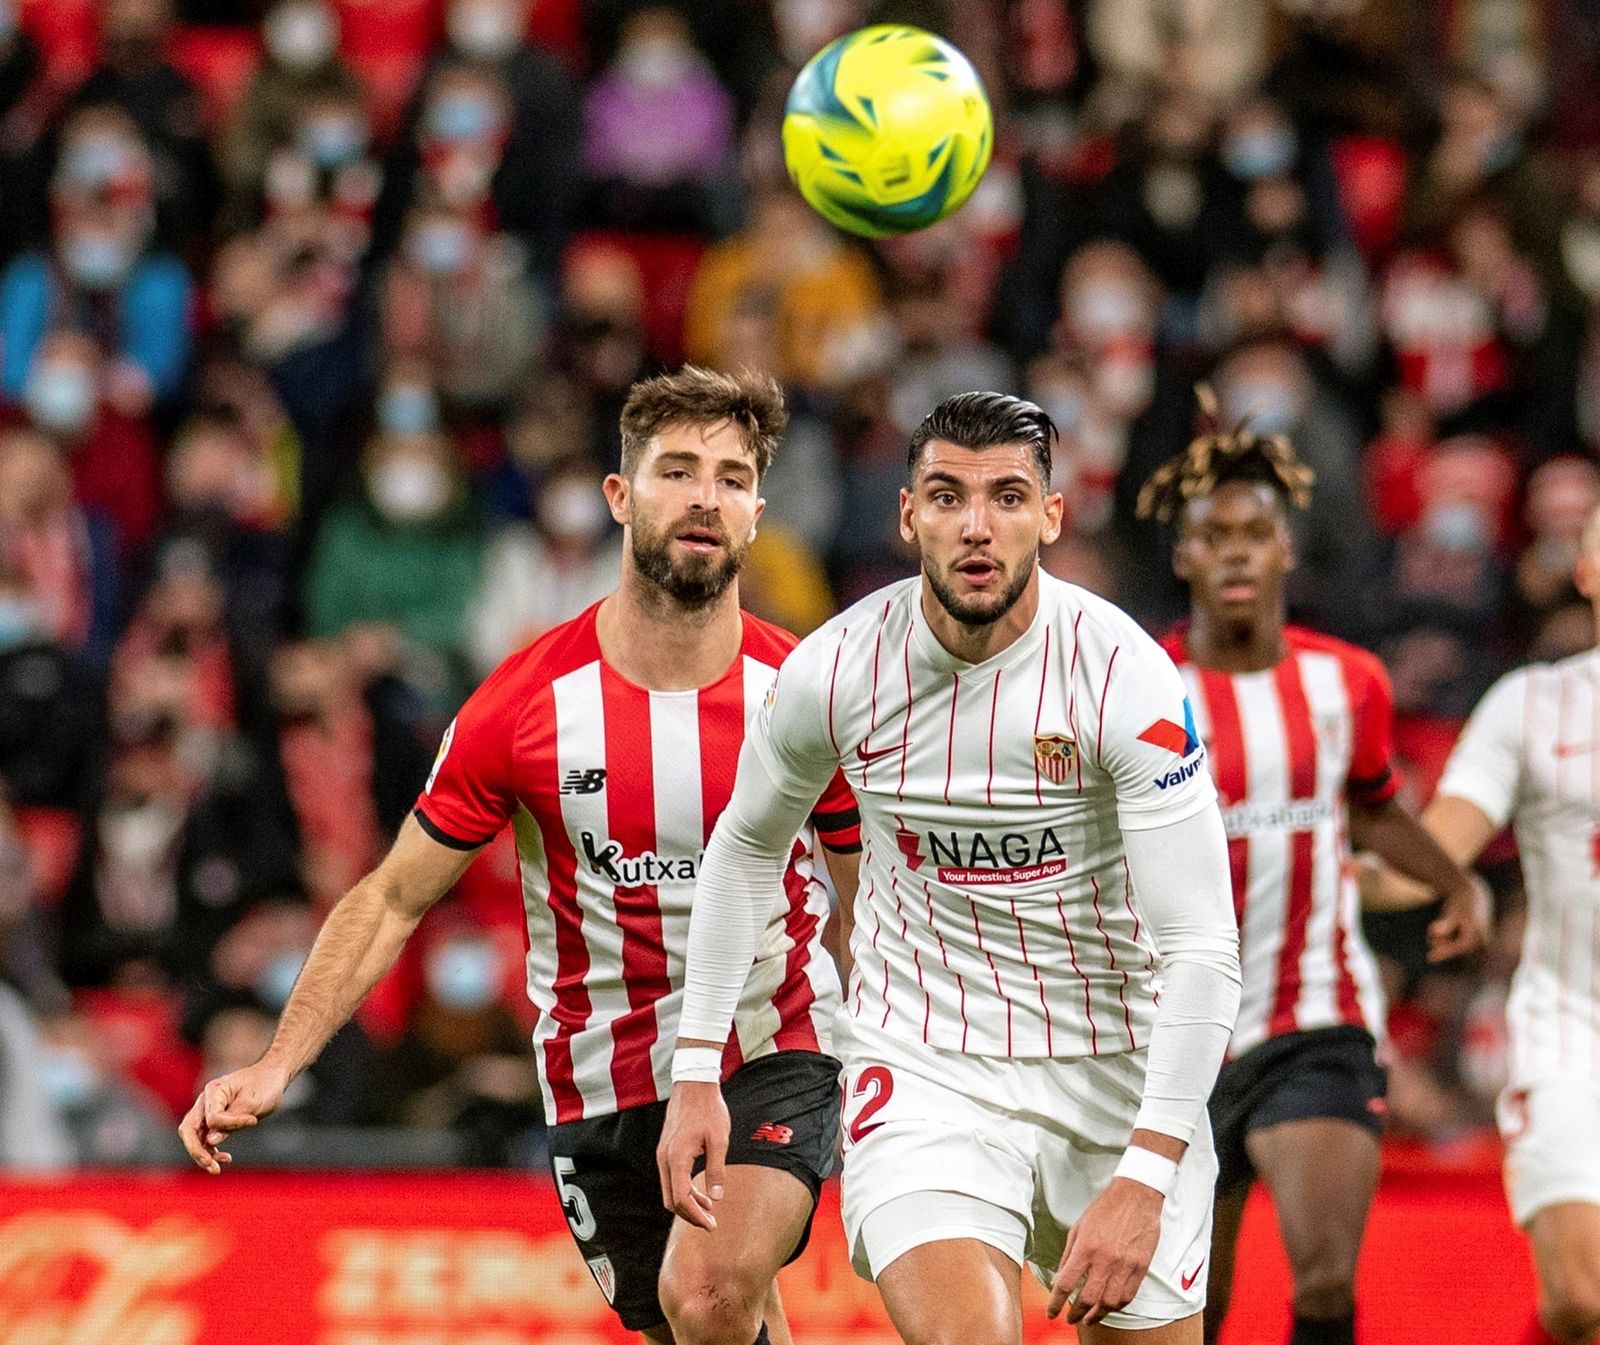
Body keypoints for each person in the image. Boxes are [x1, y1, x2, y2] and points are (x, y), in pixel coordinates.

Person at [178, 366, 862, 1345]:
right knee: (710, 1322)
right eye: (676, 470)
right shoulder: (526, 704)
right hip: (602, 1073)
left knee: (710, 1293)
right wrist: (277, 1061)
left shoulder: (806, 692)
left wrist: (900, 1049)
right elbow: (393, 897)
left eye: (731, 477)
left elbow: (868, 886)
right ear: (619, 497)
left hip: (772, 1039)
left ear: (757, 511)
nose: (705, 496)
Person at [661, 391, 1244, 1344]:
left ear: (1051, 516)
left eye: (1008, 497)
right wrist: (696, 1068)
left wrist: (1146, 1175)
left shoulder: (1124, 676)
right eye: (947, 496)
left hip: (1118, 1074)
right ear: (907, 514)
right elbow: (746, 846)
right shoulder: (839, 667)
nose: (977, 526)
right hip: (926, 1063)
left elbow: (1202, 944)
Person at [1134, 390, 1490, 1345]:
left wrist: (1455, 880)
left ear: (1286, 549)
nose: (1237, 553)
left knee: (1326, 1277)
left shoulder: (1348, 681)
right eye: (1215, 536)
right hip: (1174, 1036)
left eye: (1256, 533)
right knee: (1187, 1315)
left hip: (1315, 1014)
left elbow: (1371, 804)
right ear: (1183, 555)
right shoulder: (1143, 688)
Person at [1377, 501, 1600, 1345]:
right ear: (1586, 572)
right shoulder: (1532, 702)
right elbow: (1439, 847)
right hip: (1570, 1030)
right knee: (1580, 1298)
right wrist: (1342, 874)